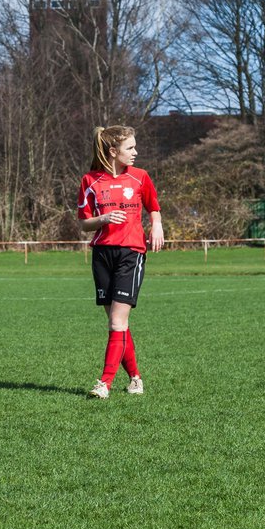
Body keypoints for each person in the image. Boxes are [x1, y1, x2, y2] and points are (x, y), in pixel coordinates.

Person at [77, 125, 164, 399]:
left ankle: (104, 383)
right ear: (113, 152)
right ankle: (136, 378)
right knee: (119, 325)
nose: (135, 152)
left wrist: (157, 226)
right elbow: (83, 224)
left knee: (117, 322)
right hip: (102, 255)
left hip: (131, 253)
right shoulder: (90, 181)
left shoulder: (140, 178)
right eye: (130, 148)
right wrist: (103, 219)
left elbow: (154, 207)